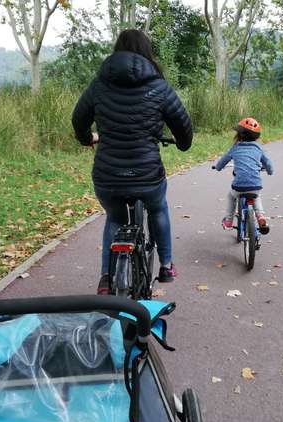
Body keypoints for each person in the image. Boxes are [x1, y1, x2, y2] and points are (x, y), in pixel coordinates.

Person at [71, 29, 193, 295]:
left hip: (108, 175)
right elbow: (183, 124)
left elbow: (78, 119)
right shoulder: (158, 86)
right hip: (147, 174)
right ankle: (167, 266)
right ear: (147, 52)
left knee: (114, 217)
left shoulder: (99, 85)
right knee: (158, 208)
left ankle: (106, 278)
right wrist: (183, 144)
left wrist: (87, 138)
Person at [212, 117, 273, 235]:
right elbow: (269, 164)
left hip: (239, 187)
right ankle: (260, 216)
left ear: (239, 135)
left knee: (231, 196)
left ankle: (228, 221)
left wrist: (218, 167)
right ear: (256, 137)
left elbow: (222, 162)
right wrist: (270, 171)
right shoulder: (259, 149)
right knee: (256, 196)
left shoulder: (235, 148)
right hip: (255, 185)